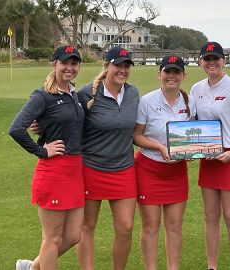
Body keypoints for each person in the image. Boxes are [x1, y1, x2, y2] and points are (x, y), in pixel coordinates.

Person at [9, 45, 84, 270]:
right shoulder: (42, 95)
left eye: (74, 63)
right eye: (64, 63)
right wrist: (43, 150)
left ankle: (31, 267)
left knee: (72, 236)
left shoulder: (74, 94)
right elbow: (16, 129)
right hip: (54, 171)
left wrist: (45, 126)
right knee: (51, 239)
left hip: (74, 171)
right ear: (55, 64)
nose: (69, 68)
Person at [76, 47, 140, 270]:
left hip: (123, 169)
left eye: (126, 66)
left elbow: (139, 131)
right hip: (91, 168)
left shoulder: (133, 94)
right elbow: (68, 123)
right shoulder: (87, 94)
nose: (122, 70)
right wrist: (41, 127)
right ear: (107, 66)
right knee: (87, 227)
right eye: (117, 65)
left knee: (125, 227)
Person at [190, 41, 230, 270]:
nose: (211, 63)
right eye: (207, 59)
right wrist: (189, 148)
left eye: (216, 58)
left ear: (223, 61)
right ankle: (212, 266)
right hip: (208, 156)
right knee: (210, 216)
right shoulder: (197, 89)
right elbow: (194, 123)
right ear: (200, 62)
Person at [133, 55, 195, 270]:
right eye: (167, 72)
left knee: (175, 225)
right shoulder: (147, 101)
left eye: (176, 72)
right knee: (150, 226)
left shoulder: (190, 102)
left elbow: (193, 135)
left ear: (183, 75)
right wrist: (160, 147)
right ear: (159, 74)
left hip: (177, 171)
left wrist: (190, 151)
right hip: (148, 168)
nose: (171, 76)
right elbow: (137, 136)